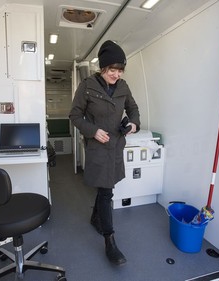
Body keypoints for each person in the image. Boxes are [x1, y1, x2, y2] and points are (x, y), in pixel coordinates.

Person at [69, 40, 140, 265]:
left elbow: (133, 109)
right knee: (107, 191)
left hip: (116, 146)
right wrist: (93, 131)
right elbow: (74, 115)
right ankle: (110, 241)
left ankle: (94, 219)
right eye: (112, 70)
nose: (116, 74)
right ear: (103, 68)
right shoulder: (87, 86)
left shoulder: (123, 86)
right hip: (98, 147)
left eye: (120, 70)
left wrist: (134, 124)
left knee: (107, 186)